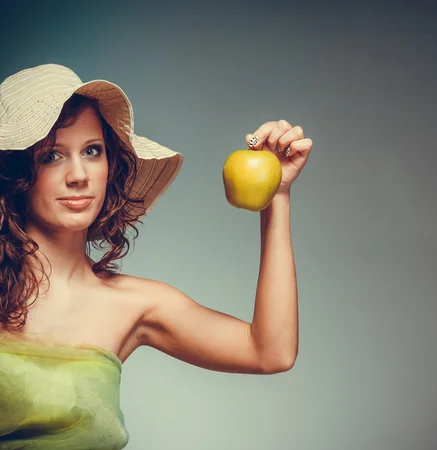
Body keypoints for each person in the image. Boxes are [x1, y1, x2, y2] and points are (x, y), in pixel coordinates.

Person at [0, 64, 313, 448]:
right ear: (15, 174)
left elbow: (271, 352)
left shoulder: (135, 304)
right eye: (51, 156)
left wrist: (276, 195)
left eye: (92, 151)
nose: (79, 174)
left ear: (109, 165)